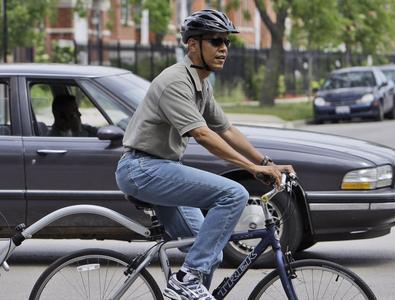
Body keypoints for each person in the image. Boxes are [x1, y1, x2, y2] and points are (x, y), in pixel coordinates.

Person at [115, 9, 295, 300]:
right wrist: (250, 168)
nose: (223, 48)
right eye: (215, 41)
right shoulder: (176, 81)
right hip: (142, 168)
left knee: (208, 251)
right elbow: (203, 134)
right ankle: (185, 280)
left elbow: (226, 129)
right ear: (192, 45)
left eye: (226, 42)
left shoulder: (201, 85)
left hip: (159, 168)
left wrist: (265, 163)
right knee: (234, 194)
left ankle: (187, 283)